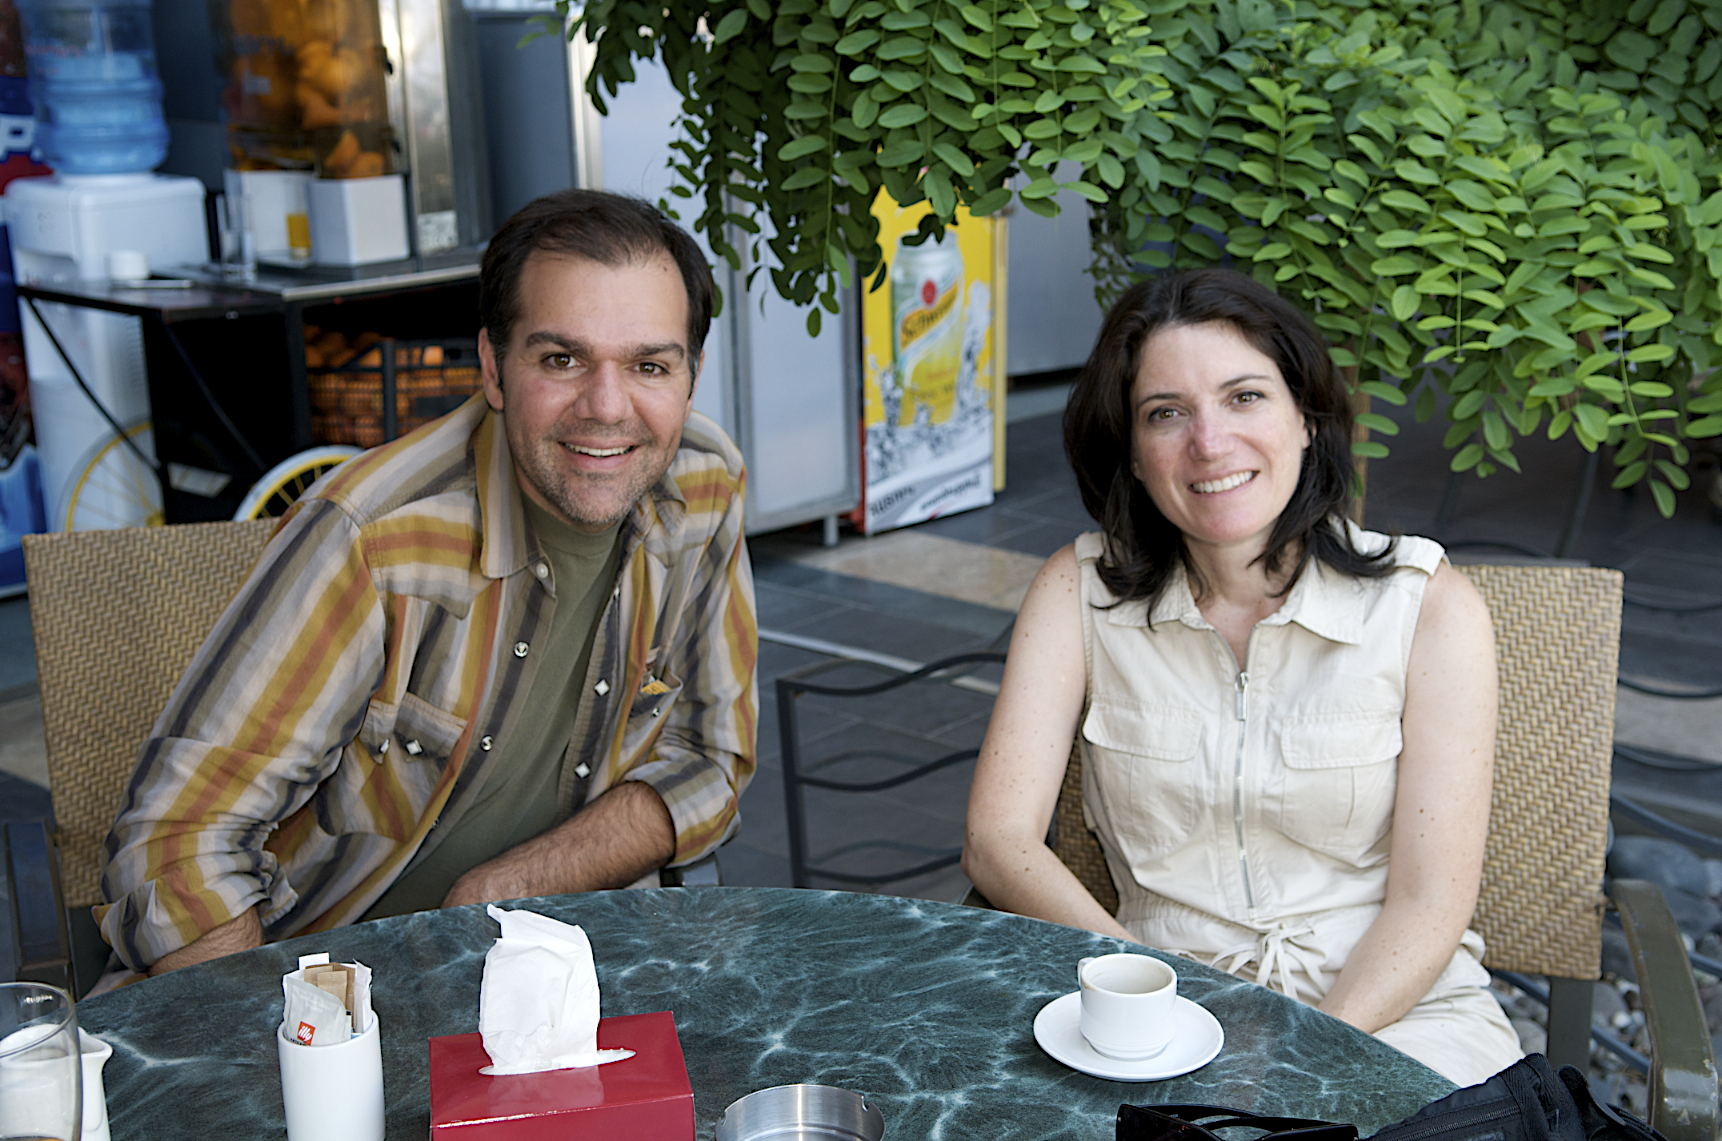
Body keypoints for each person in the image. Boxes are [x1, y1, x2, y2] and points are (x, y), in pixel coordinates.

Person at [97, 189, 757, 977]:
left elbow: (711, 757)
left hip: (549, 972)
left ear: (691, 375)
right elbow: (174, 851)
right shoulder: (371, 538)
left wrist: (504, 887)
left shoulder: (705, 485)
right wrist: (298, 1060)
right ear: (493, 368)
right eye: (561, 359)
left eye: (649, 364)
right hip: (323, 995)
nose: (608, 407)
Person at [961, 267, 1521, 1085]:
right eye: (1166, 414)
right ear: (1132, 453)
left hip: (1398, 1014)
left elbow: (1430, 902)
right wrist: (1147, 991)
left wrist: (1308, 1053)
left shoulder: (1427, 606)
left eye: (1245, 396)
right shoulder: (1074, 591)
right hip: (1166, 1013)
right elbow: (998, 840)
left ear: (1307, 418)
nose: (1210, 442)